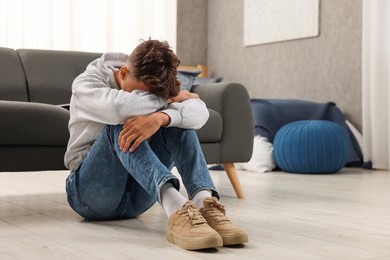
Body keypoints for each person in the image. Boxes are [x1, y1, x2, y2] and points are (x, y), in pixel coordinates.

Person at [64, 39, 248, 250]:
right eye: (140, 94)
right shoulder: (86, 83)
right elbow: (119, 108)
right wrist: (170, 100)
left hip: (139, 198)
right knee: (125, 123)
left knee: (176, 120)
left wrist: (162, 118)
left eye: (151, 95)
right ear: (123, 73)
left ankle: (204, 203)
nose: (144, 99)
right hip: (88, 194)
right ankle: (177, 209)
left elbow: (200, 113)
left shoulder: (153, 82)